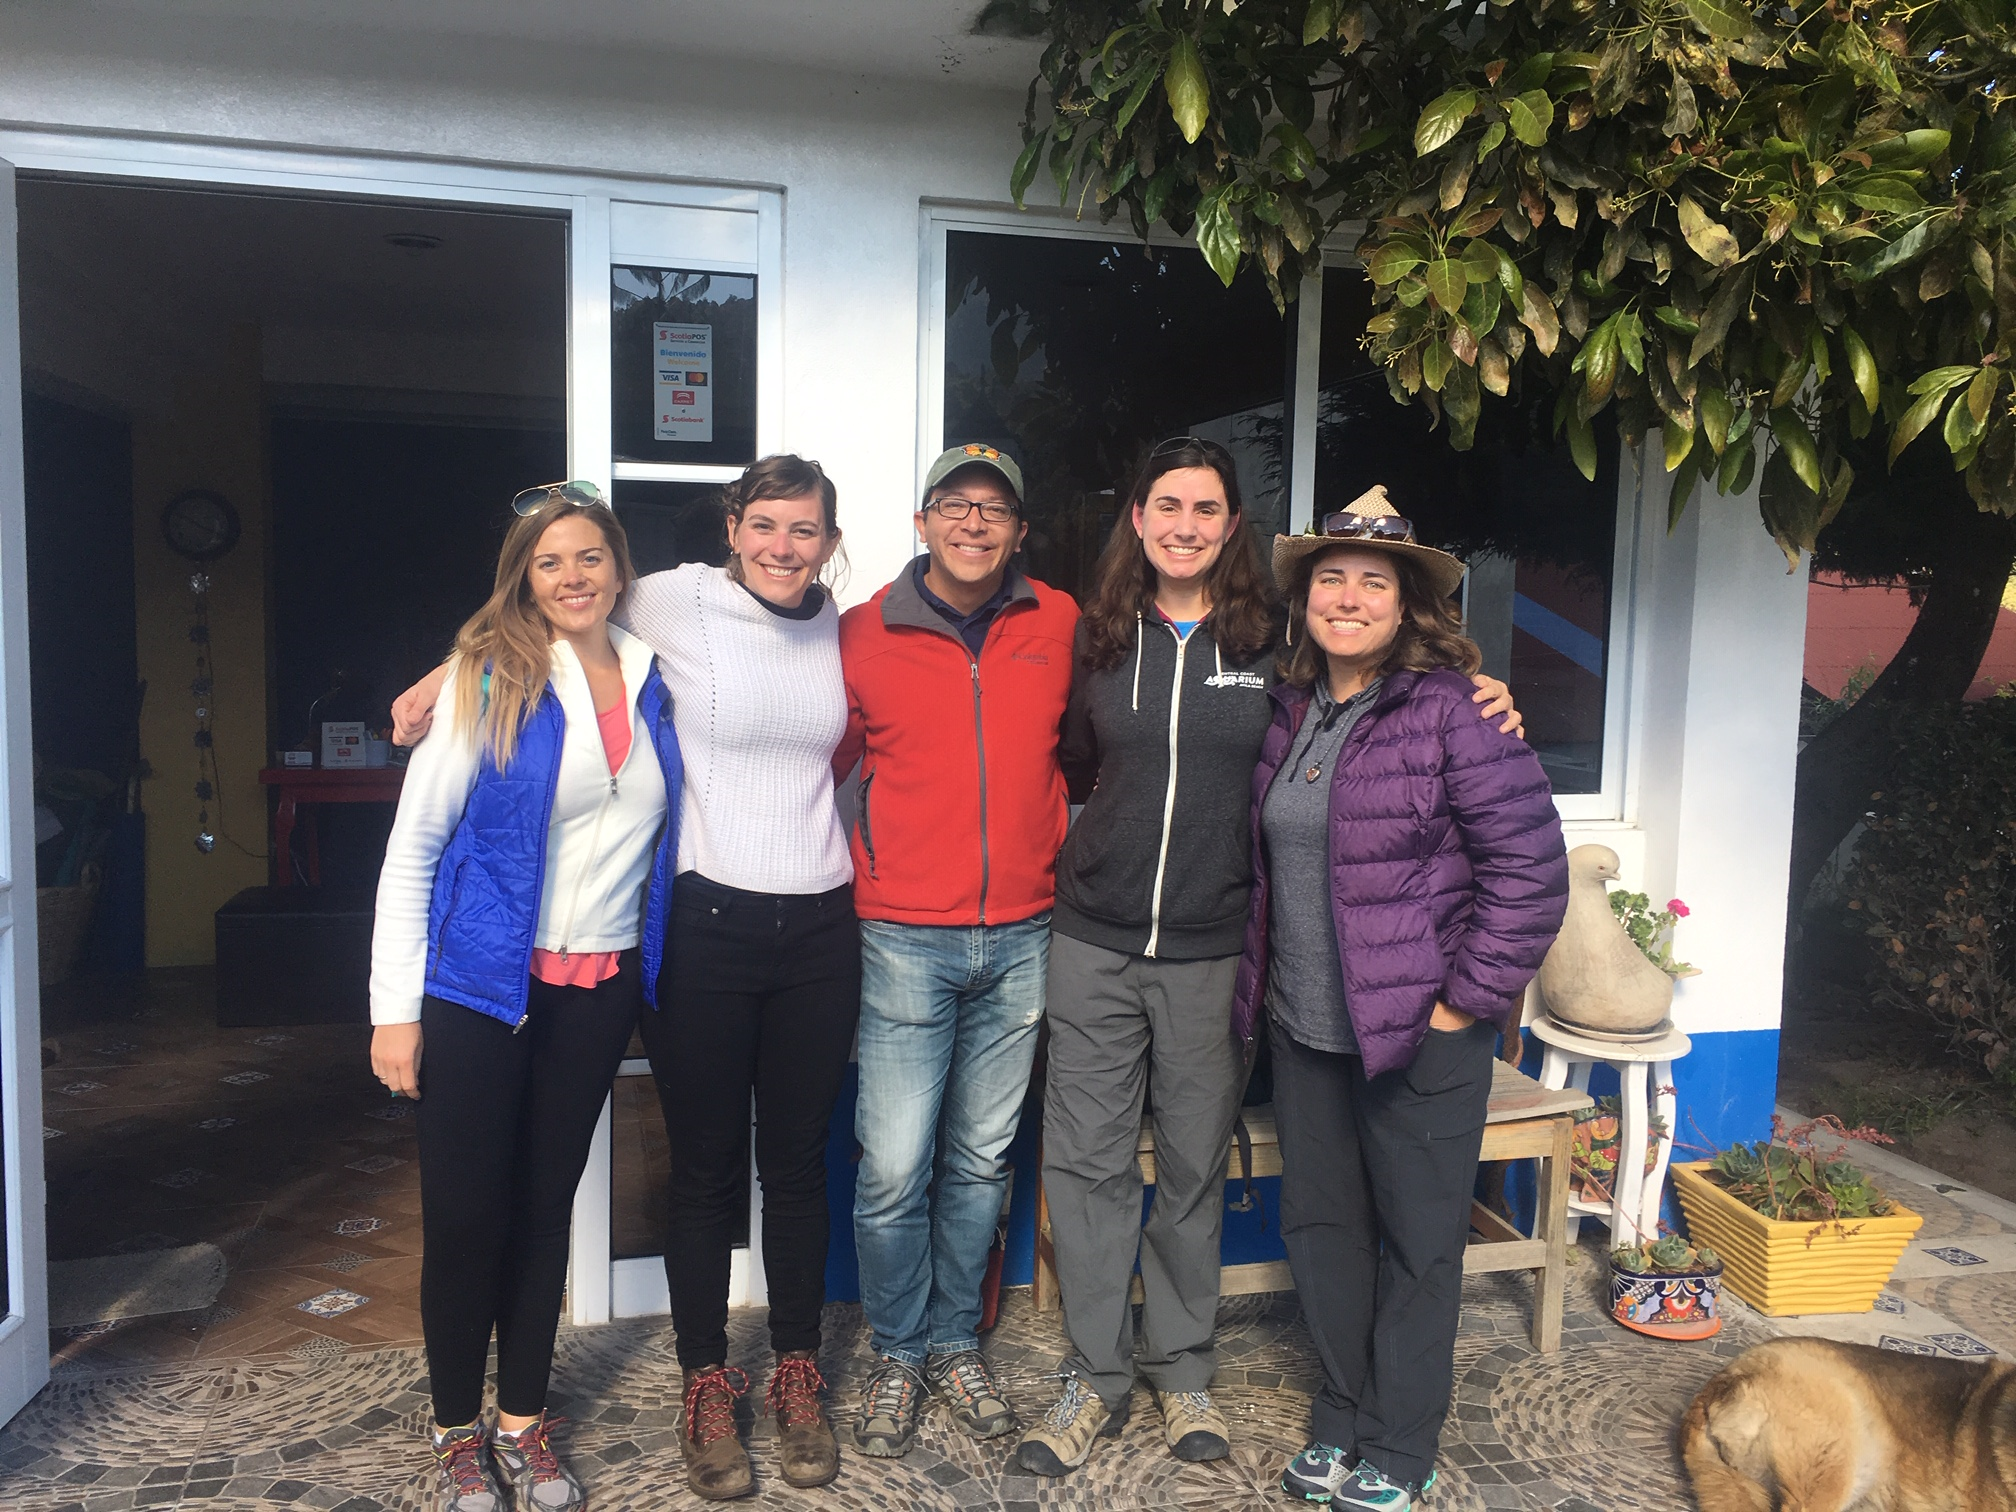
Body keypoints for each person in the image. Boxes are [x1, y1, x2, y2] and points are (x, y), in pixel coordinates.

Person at [1020, 440, 1521, 1477]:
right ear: (1138, 517)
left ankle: (1185, 1367)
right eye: (1168, 505)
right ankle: (1095, 1374)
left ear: (1233, 525)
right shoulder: (1097, 637)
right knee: (1088, 1165)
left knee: (1199, 1167)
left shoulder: (1273, 645)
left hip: (1215, 953)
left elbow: (1395, 696)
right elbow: (1073, 762)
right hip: (1096, 939)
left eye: (1208, 508)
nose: (1187, 525)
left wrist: (1487, 690)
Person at [392, 456, 858, 1502]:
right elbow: (540, 596)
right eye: (766, 525)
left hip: (728, 949)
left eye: (807, 529)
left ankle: (766, 1377)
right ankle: (631, 1398)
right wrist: (448, 668)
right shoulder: (645, 613)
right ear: (732, 526)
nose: (784, 546)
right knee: (583, 1191)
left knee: (748, 1172)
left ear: (831, 540)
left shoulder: (782, 642)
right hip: (599, 955)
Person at [1232, 488, 1568, 1511]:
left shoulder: (1458, 711)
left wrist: (1463, 1006)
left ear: (1407, 604)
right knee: (1322, 1233)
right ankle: (1340, 1417)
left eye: (1371, 582)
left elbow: (1530, 874)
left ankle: (1401, 1443)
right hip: (1307, 1030)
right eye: (1330, 577)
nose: (1347, 596)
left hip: (1420, 1037)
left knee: (1421, 1243)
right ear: (1305, 600)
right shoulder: (1291, 709)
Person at [370, 484, 683, 1512]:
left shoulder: (651, 678)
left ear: (619, 568)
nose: (573, 577)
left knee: (545, 1210)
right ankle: (459, 1430)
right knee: (467, 1217)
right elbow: (415, 848)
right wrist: (394, 1010)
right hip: (478, 990)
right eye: (549, 563)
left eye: (590, 556)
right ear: (523, 577)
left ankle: (524, 1422)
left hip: (593, 995)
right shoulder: (486, 678)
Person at [834, 443, 1077, 1457]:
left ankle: (951, 1341)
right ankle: (895, 1351)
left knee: (980, 1161)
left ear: (1019, 530)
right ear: (922, 521)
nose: (975, 523)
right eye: (955, 504)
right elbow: (819, 753)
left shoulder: (1060, 622)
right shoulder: (858, 632)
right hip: (903, 935)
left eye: (995, 509)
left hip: (1026, 930)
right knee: (893, 1165)